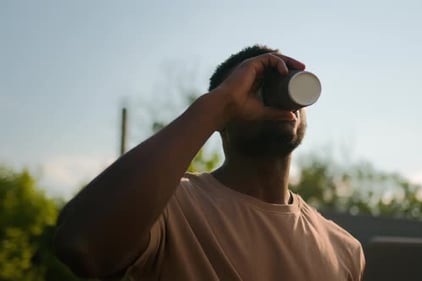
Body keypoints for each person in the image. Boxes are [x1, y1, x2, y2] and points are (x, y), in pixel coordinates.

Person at [55, 45, 365, 281]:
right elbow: (83, 245)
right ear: (221, 115)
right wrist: (220, 103)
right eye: (257, 89)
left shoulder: (345, 249)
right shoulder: (166, 205)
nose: (282, 99)